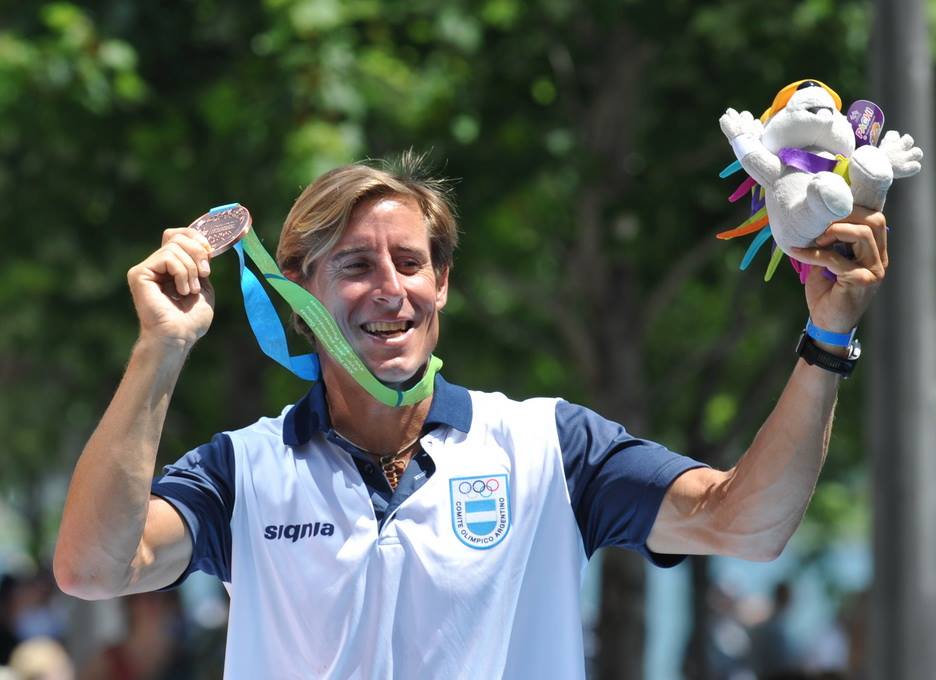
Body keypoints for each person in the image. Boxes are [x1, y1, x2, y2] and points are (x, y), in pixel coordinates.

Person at [53, 153, 888, 678]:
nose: (391, 290)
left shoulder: (548, 446)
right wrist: (160, 348)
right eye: (355, 265)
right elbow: (92, 569)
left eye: (411, 263)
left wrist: (825, 341)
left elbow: (745, 527)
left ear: (442, 283)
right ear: (298, 292)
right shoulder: (244, 469)